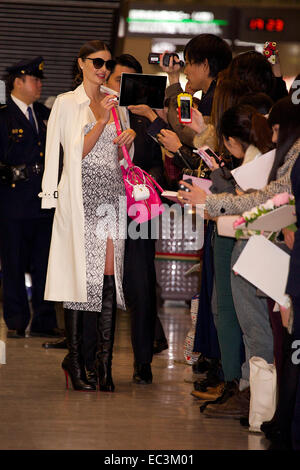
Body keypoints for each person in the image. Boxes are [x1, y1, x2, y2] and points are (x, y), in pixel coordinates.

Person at [40, 40, 133, 392]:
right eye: (97, 62)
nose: (103, 69)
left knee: (109, 278)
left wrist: (128, 135)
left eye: (107, 63)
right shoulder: (67, 103)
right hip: (80, 196)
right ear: (81, 63)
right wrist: (100, 119)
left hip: (112, 194)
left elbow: (122, 157)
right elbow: (74, 153)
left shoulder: (115, 102)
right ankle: (76, 361)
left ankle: (103, 364)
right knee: (82, 279)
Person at [107, 54, 168, 384]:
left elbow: (165, 163)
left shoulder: (148, 119)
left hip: (139, 210)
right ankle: (95, 354)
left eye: (129, 82)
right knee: (101, 283)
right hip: (103, 206)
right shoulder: (97, 112)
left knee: (141, 282)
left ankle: (142, 360)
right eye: (118, 80)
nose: (122, 88)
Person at [0, 57, 59, 339]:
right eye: (34, 80)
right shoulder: (3, 115)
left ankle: (44, 321)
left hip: (43, 202)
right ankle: (16, 320)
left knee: (45, 264)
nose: (39, 85)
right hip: (12, 203)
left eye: (39, 80)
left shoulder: (44, 113)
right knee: (13, 263)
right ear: (18, 82)